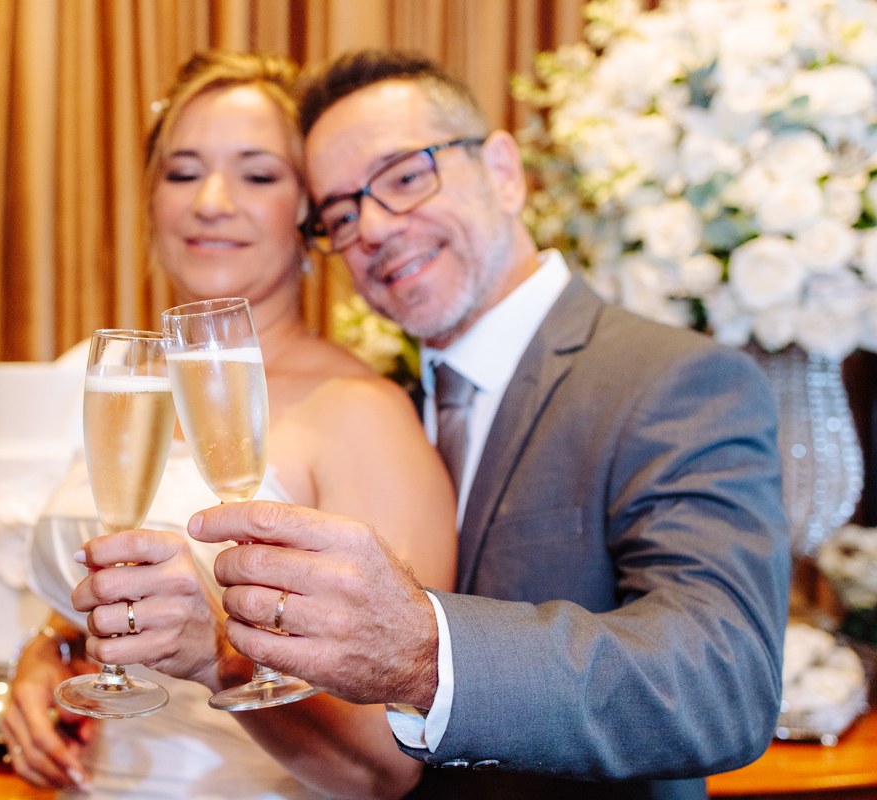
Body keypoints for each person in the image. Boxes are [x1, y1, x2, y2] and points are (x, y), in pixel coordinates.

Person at [188, 50, 792, 799]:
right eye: (340, 214)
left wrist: (428, 653)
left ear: (504, 170)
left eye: (407, 177)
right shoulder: (384, 401)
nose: (372, 227)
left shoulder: (672, 380)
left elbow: (720, 685)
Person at [1, 51, 458, 800]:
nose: (212, 201)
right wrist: (45, 655)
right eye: (183, 172)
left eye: (257, 174)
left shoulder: (363, 414)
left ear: (309, 213)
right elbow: (87, 595)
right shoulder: (124, 390)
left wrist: (222, 657)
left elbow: (390, 766)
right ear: (152, 200)